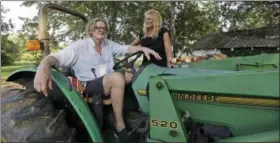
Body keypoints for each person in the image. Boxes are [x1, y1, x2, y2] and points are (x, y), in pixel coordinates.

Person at [33, 18, 161, 143]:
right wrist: (43, 66)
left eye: (104, 28)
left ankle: (138, 113)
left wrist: (143, 49)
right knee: (117, 77)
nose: (102, 30)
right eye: (98, 27)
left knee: (134, 75)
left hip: (104, 80)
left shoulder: (107, 44)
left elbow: (125, 48)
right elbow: (55, 57)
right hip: (88, 85)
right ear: (91, 31)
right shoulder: (79, 46)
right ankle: (120, 124)